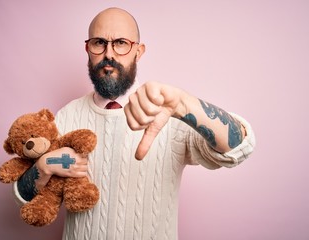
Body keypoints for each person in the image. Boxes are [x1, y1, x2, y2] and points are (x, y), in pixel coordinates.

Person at [13, 7, 255, 240]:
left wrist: (184, 105)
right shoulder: (66, 116)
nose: (109, 54)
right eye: (99, 42)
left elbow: (238, 147)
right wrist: (45, 165)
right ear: (87, 49)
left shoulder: (167, 112)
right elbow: (24, 198)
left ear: (138, 51)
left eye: (121, 43)